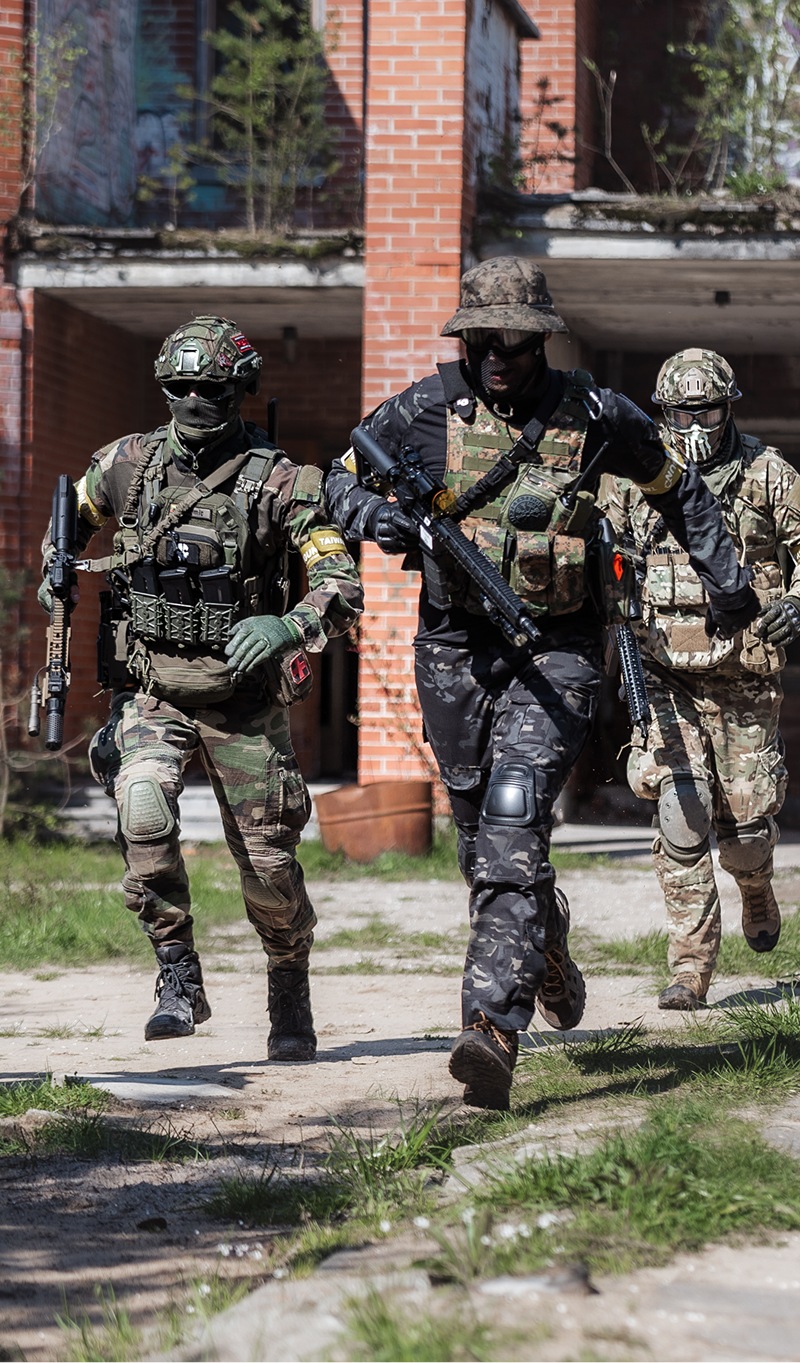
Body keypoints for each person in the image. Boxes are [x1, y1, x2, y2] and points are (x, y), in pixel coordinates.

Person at [324, 258, 760, 1109]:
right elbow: (337, 481)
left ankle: (491, 1027)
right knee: (482, 843)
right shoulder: (423, 410)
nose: (495, 357)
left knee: (517, 816)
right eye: (481, 339)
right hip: (453, 652)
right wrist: (386, 518)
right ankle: (545, 947)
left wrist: (728, 578)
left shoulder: (592, 411)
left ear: (541, 339)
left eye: (514, 342)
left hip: (556, 647)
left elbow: (676, 487)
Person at [56, 316, 362, 1062]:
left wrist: (289, 625)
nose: (194, 400)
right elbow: (71, 519)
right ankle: (177, 974)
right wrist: (54, 563)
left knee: (269, 869)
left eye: (210, 387)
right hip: (155, 688)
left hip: (245, 700)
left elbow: (340, 583)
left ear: (238, 390)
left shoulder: (282, 479)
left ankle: (288, 978)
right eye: (180, 387)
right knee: (143, 810)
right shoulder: (128, 462)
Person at [602, 349, 800, 1011]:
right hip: (664, 674)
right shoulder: (633, 475)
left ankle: (755, 884)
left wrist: (798, 601)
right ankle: (690, 967)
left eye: (706, 408)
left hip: (743, 679)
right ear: (663, 411)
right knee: (681, 816)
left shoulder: (768, 474)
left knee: (744, 831)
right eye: (681, 410)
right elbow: (602, 545)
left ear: (729, 404)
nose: (695, 422)